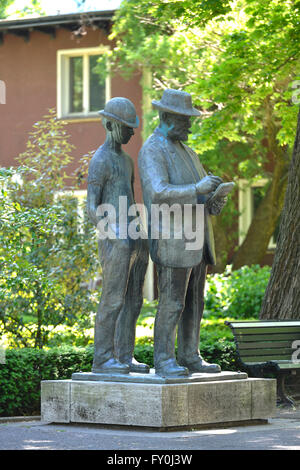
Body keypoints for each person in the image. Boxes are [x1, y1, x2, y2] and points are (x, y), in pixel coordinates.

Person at [138, 89, 227, 377]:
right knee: (173, 301)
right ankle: (164, 359)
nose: (190, 125)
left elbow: (199, 198)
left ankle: (190, 355)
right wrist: (197, 189)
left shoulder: (189, 151)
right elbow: (157, 192)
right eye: (184, 120)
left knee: (195, 301)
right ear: (165, 117)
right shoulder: (153, 149)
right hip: (173, 240)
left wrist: (214, 200)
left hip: (198, 239)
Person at [87, 97, 149, 374]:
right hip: (115, 240)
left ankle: (124, 355)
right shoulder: (100, 161)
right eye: (127, 127)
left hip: (135, 237)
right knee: (113, 300)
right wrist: (114, 236)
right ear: (110, 124)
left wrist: (140, 233)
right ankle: (102, 359)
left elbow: (130, 197)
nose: (132, 132)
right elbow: (91, 206)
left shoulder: (126, 161)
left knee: (135, 299)